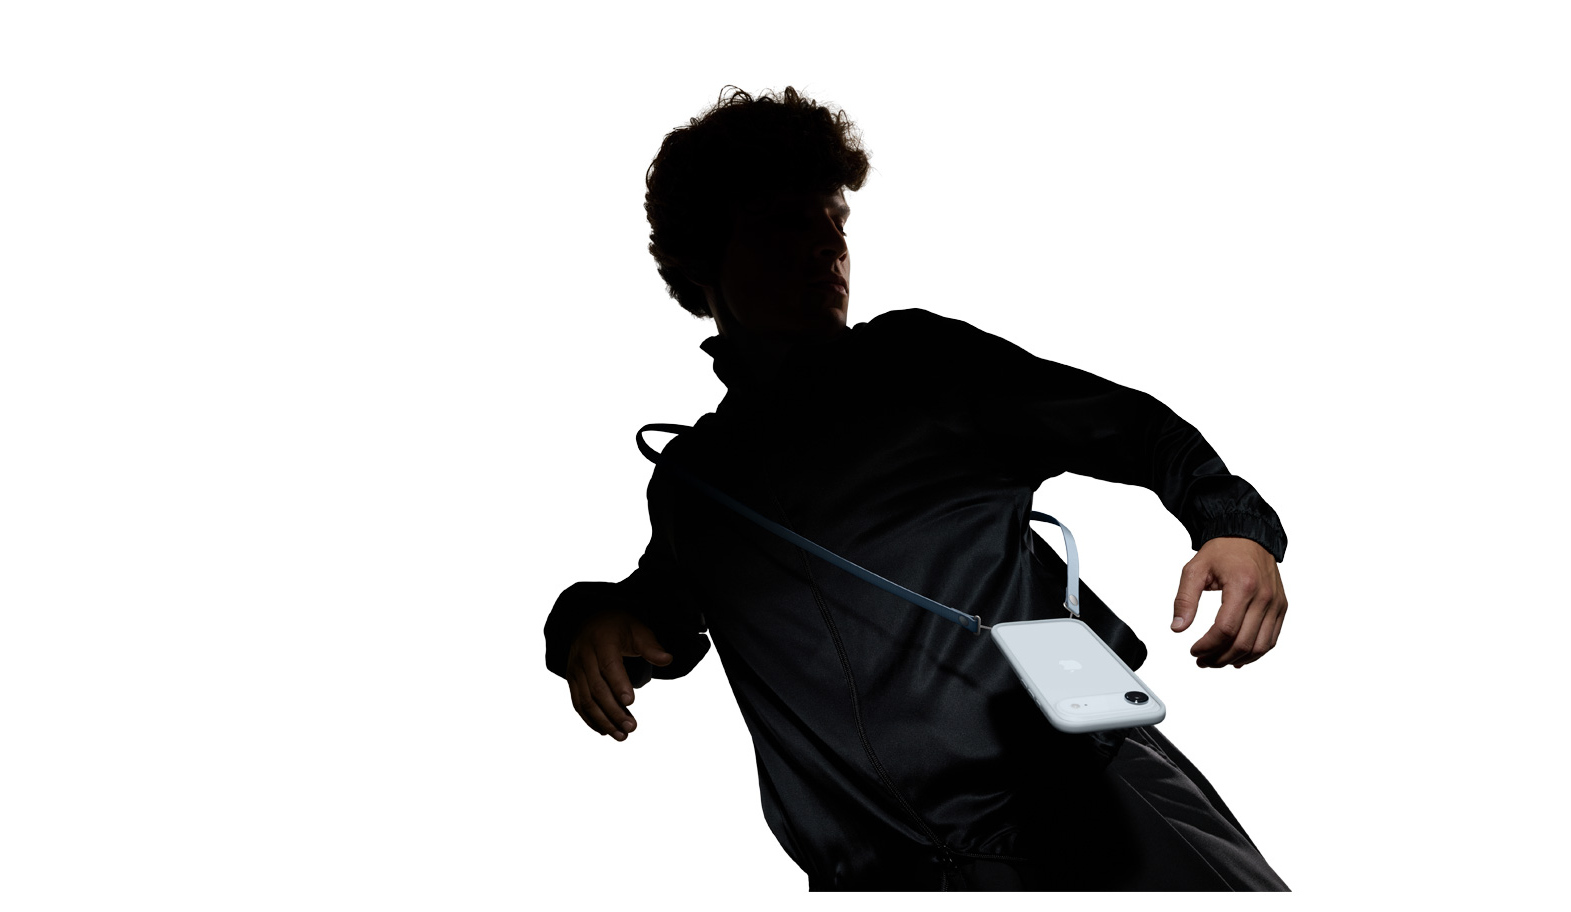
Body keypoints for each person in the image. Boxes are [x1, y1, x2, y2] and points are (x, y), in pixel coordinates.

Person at [543, 86, 1292, 891]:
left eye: (837, 222)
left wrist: (1232, 527)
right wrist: (589, 621)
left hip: (1093, 814)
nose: (829, 246)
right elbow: (658, 616)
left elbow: (1134, 428)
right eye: (789, 222)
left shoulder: (921, 363)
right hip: (888, 878)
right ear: (702, 256)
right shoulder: (696, 482)